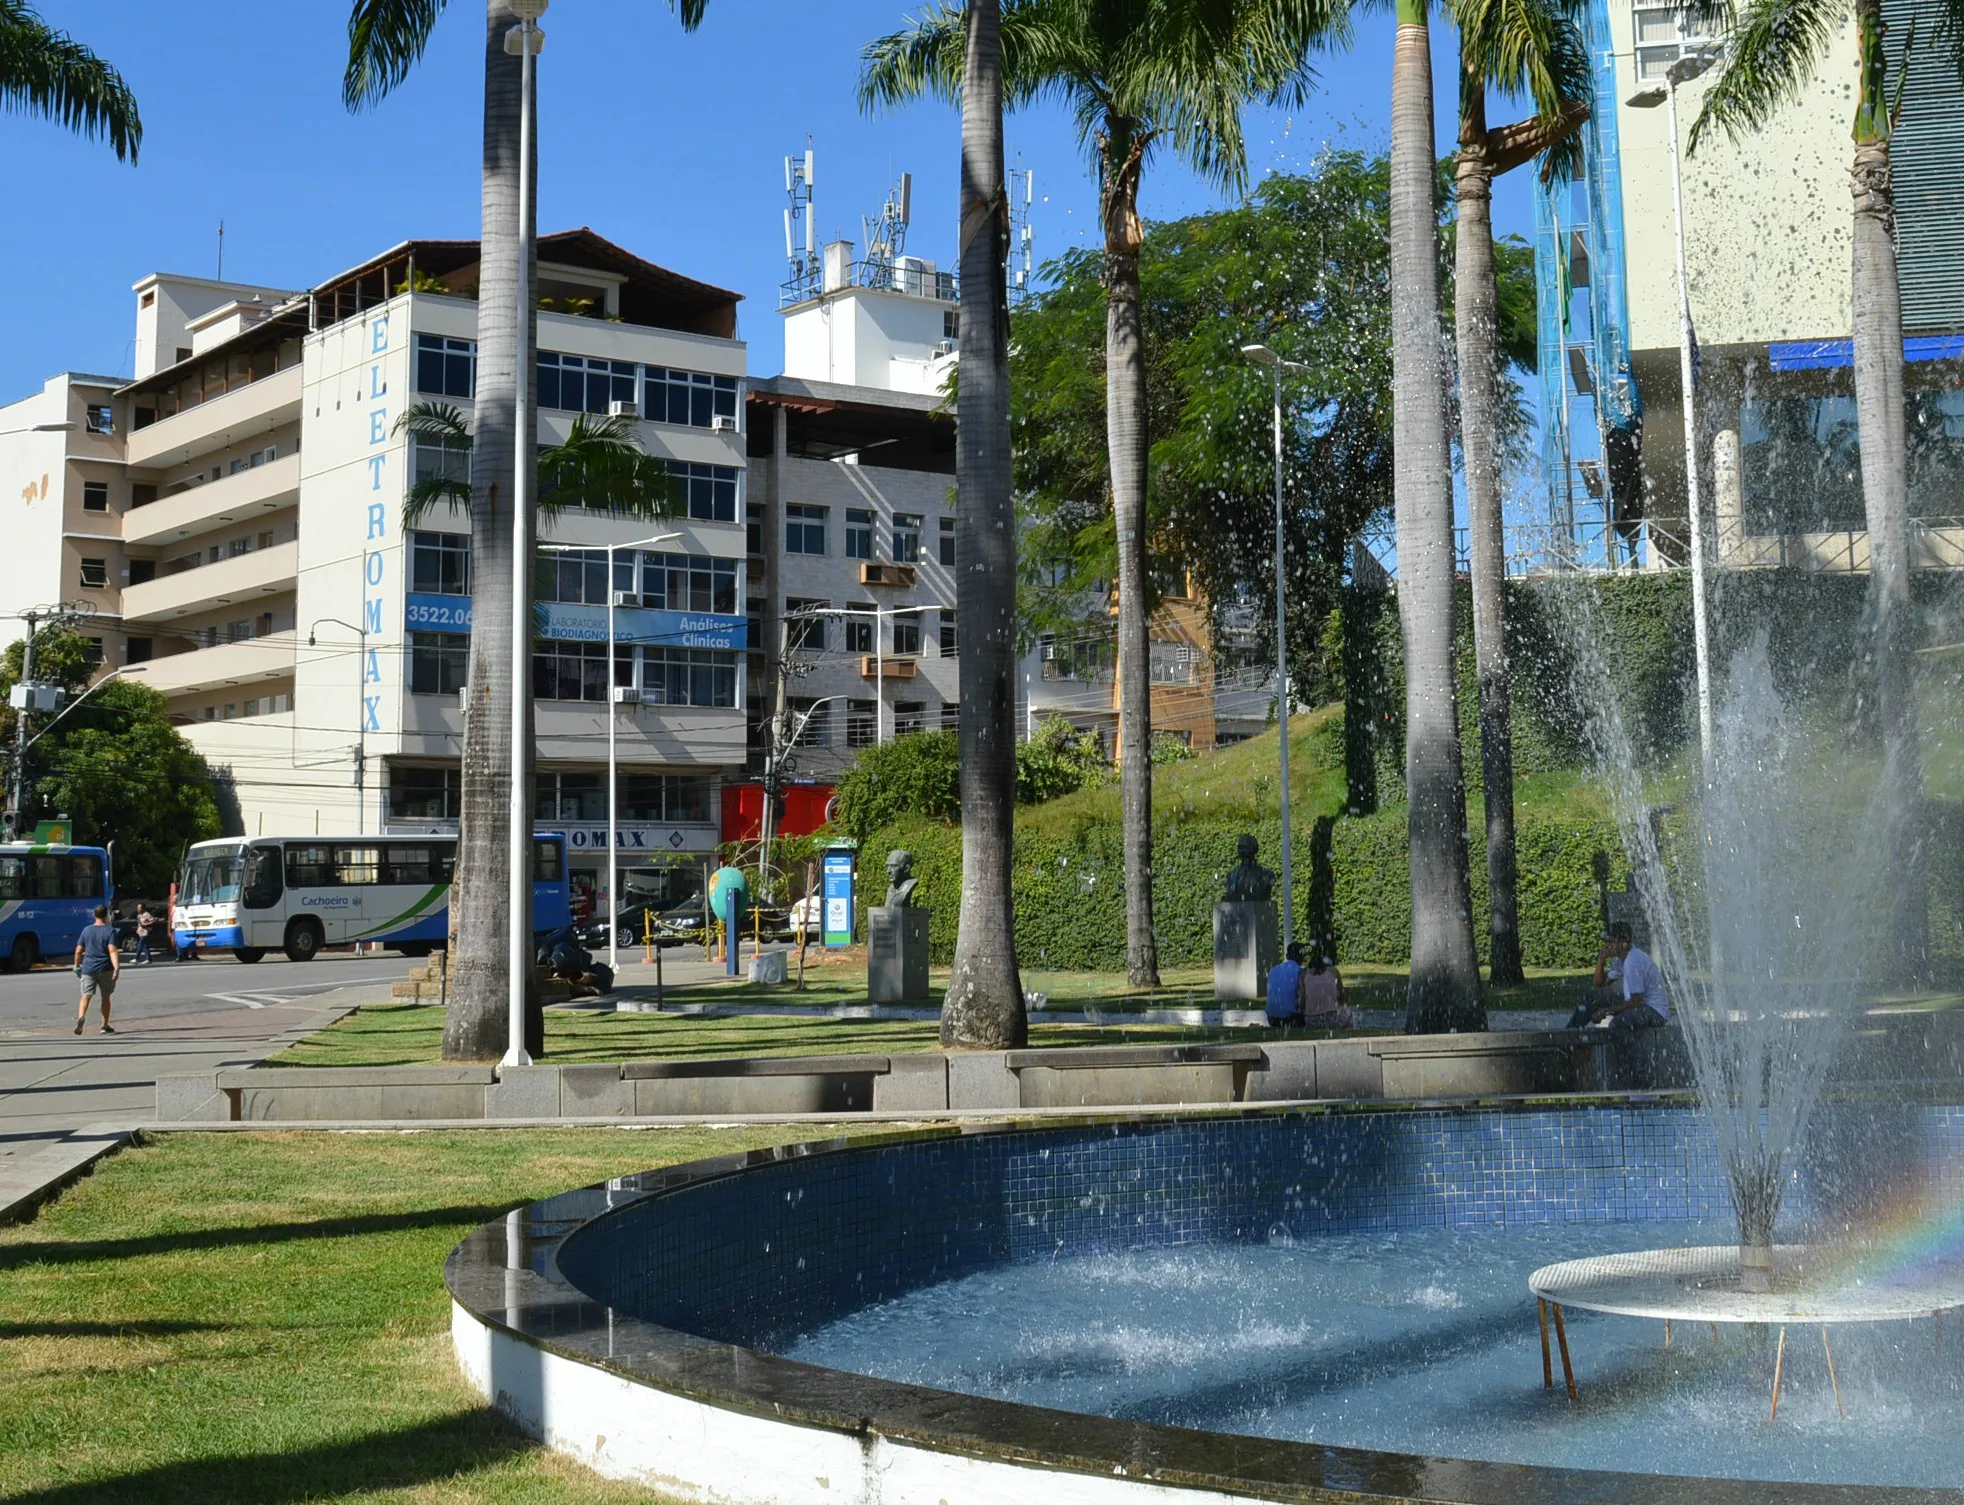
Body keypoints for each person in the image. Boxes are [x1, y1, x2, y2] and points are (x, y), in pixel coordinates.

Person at [1567, 921, 1668, 1031]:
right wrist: (1601, 960)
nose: (1607, 946)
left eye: (1610, 942)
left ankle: (1624, 1048)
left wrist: (1606, 1011)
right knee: (1593, 996)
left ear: (1624, 943)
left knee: (1617, 1025)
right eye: (1605, 942)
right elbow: (1599, 984)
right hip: (1640, 1006)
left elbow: (1636, 1002)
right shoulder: (1622, 959)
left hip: (1654, 1012)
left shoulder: (1632, 961)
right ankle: (1572, 1034)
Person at [73, 903, 120, 1036]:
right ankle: (104, 1025)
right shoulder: (110, 931)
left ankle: (81, 1017)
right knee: (105, 997)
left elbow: (78, 950)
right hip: (105, 968)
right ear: (106, 916)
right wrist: (116, 968)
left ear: (94, 915)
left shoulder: (86, 930)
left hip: (88, 968)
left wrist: (76, 966)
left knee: (85, 995)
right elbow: (112, 950)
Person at [1299, 953, 1354, 1029]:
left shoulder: (1304, 975)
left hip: (1311, 1021)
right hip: (1331, 1020)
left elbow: (1302, 1003)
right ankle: (1349, 1034)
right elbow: (1342, 998)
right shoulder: (1333, 972)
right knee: (1349, 1016)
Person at [1265, 942, 1305, 1027]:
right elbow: (1304, 997)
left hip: (1272, 1018)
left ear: (1287, 956)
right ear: (1302, 957)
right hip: (1290, 1019)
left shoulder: (1273, 970)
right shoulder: (1300, 972)